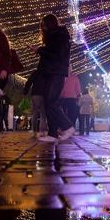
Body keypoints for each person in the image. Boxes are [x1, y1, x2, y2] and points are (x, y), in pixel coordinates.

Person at [35, 14, 74, 143]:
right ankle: (52, 134)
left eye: (44, 25)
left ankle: (68, 126)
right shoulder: (53, 36)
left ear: (50, 24)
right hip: (49, 73)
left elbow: (57, 54)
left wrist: (40, 50)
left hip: (56, 73)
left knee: (52, 101)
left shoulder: (60, 35)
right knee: (48, 103)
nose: (43, 28)